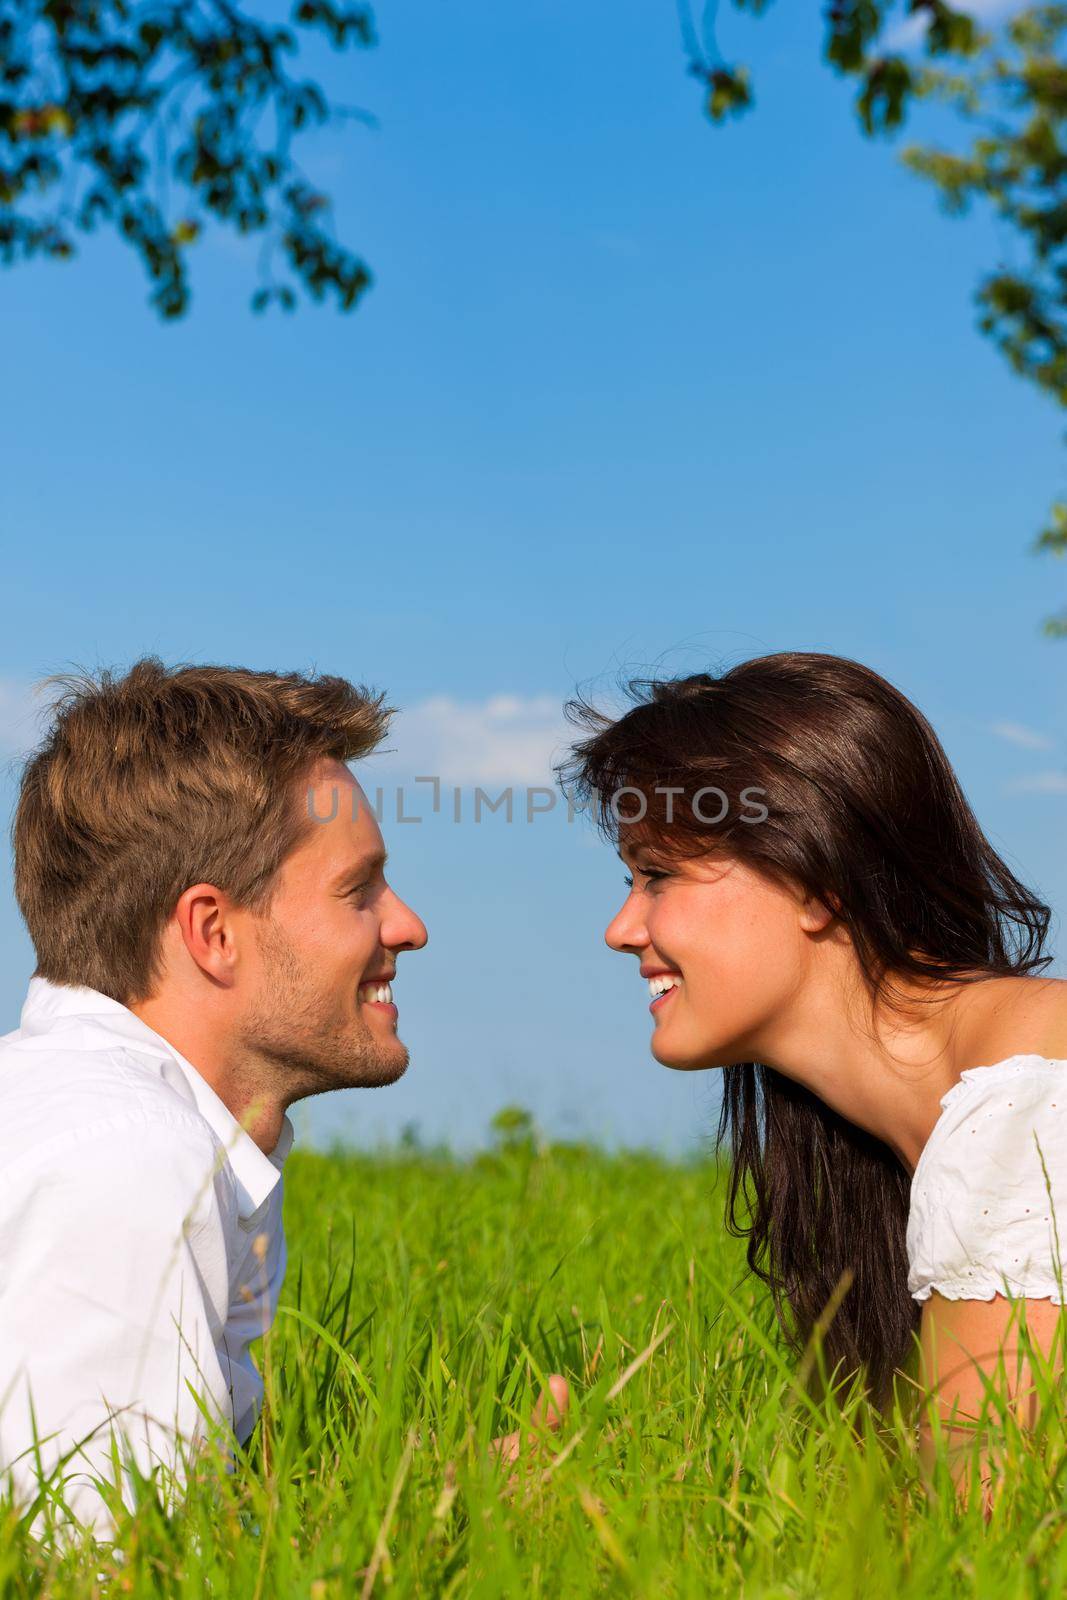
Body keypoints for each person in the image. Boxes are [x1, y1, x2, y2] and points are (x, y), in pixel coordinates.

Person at [561, 651, 1065, 1495]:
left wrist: (589, 1500)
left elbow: (980, 1530)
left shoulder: (1032, 1100)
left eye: (658, 876)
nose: (619, 928)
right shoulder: (932, 1133)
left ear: (813, 876)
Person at [0, 659, 428, 1531]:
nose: (406, 926)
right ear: (214, 932)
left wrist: (422, 1501)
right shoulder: (127, 1157)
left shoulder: (107, 1116)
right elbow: (108, 1566)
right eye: (358, 891)